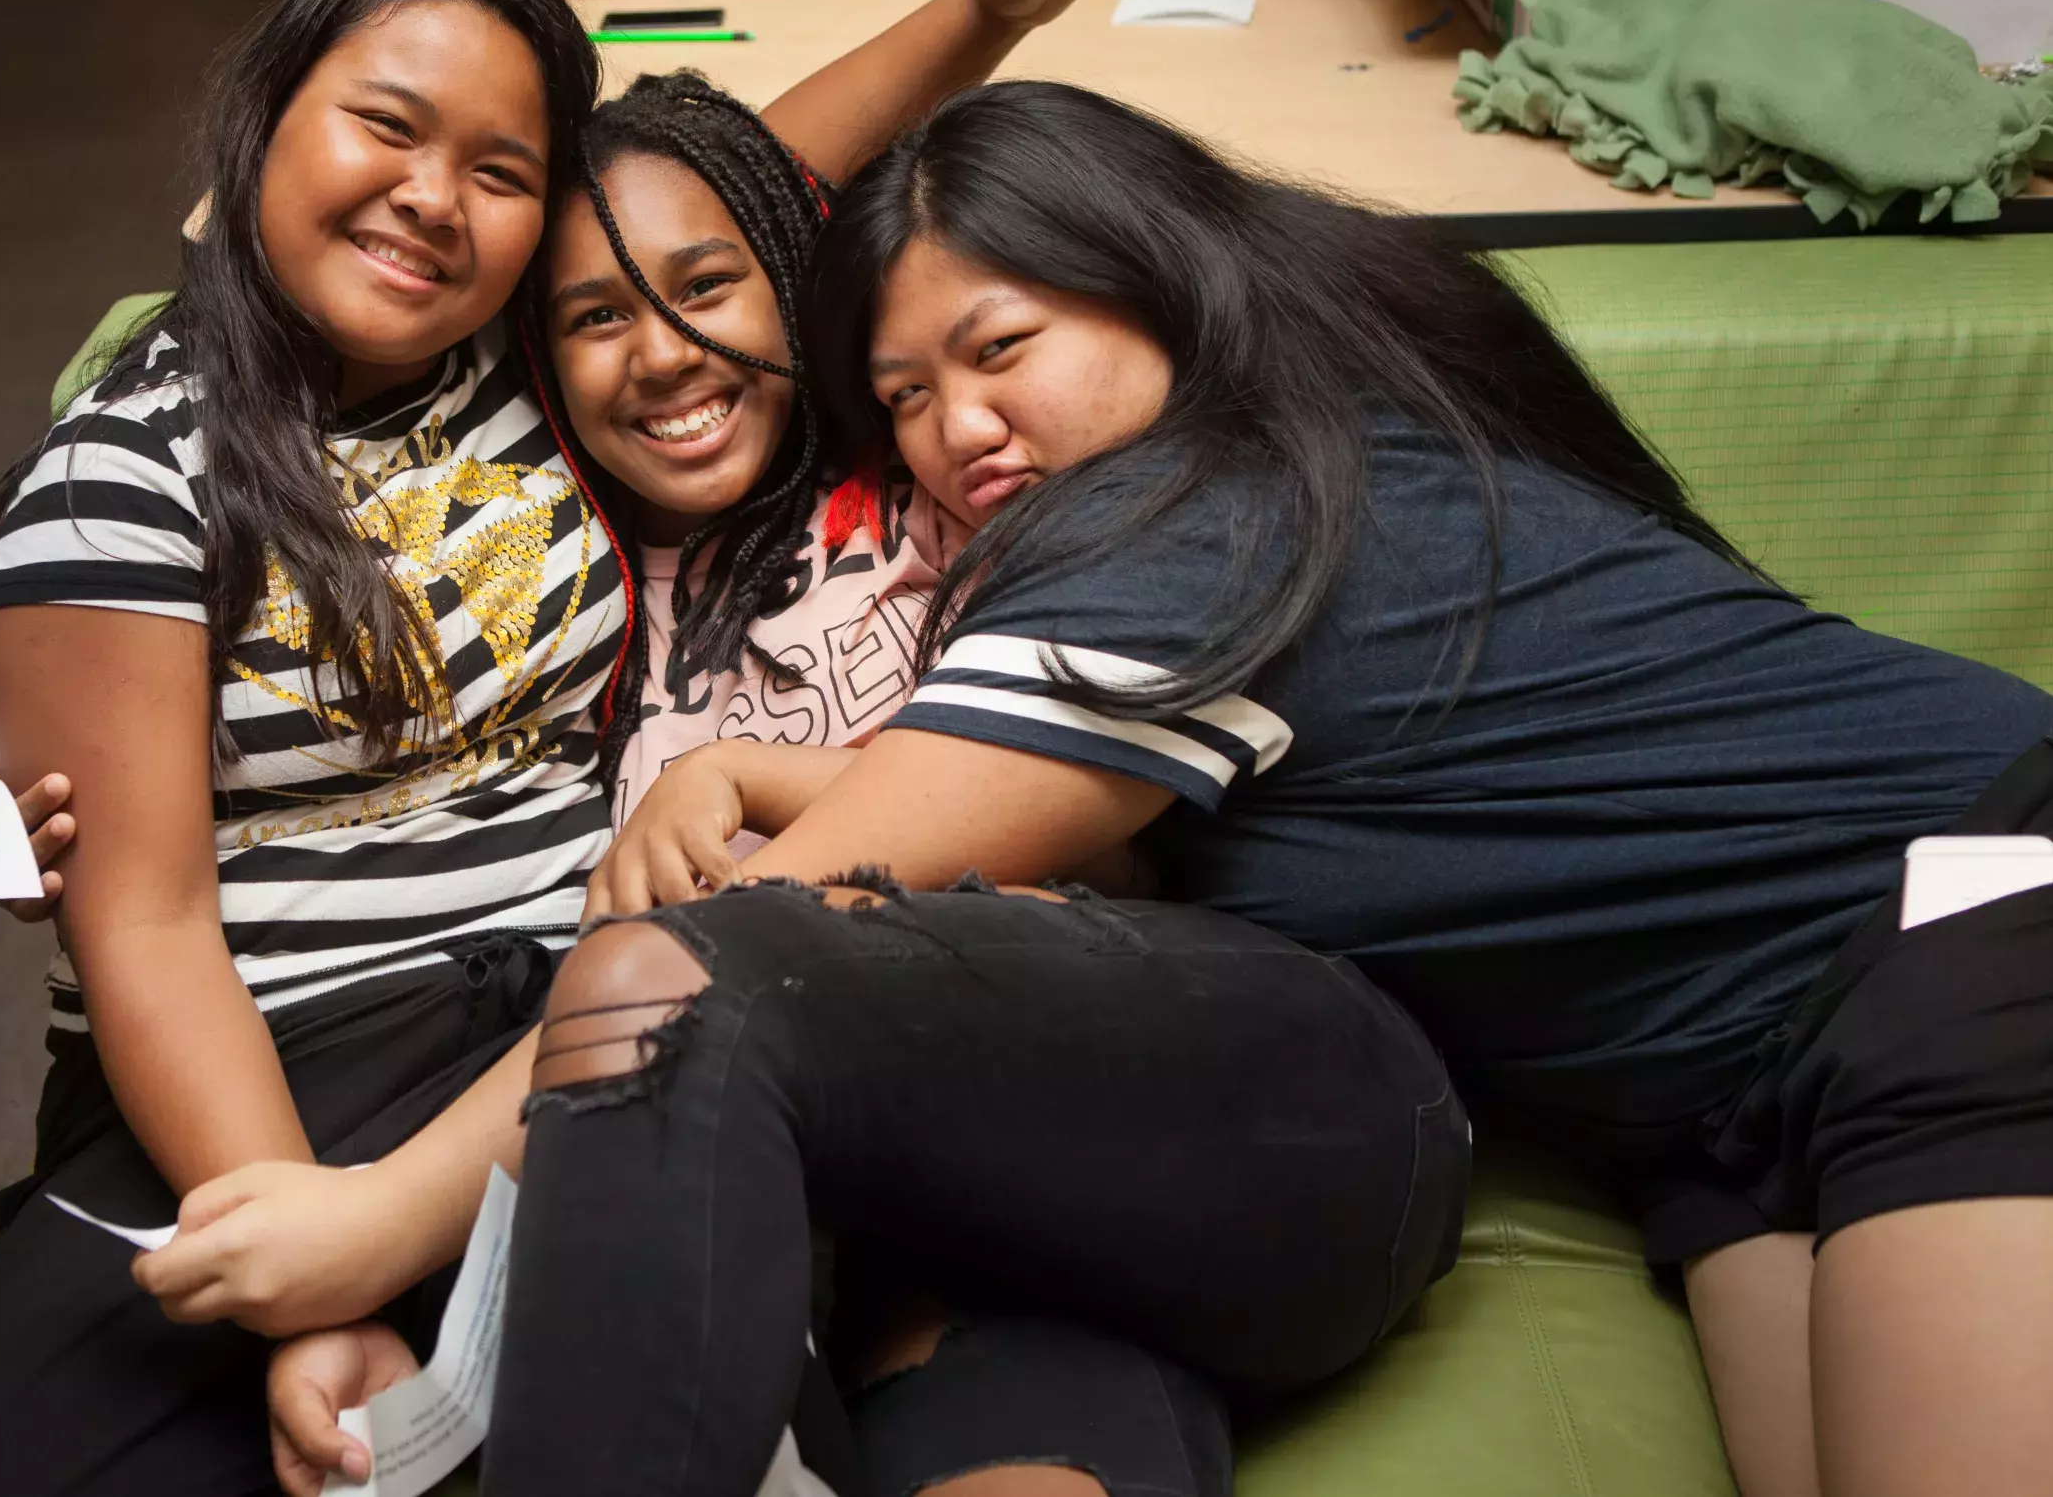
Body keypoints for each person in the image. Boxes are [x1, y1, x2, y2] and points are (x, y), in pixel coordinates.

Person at [0, 0, 1168, 1497]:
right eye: (386, 126)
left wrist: (991, 8)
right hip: (269, 1065)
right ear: (264, 117)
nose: (435, 201)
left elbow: (736, 193)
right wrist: (318, 1266)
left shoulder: (519, 348)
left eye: (499, 171)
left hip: (581, 1032)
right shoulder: (122, 477)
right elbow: (143, 923)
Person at [616, 80, 2042, 1497]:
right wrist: (739, 760)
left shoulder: (1186, 528)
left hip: (1969, 918)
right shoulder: (1226, 528)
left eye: (1002, 348)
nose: (961, 427)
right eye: (907, 397)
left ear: (1156, 290)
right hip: (1728, 1105)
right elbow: (1014, 824)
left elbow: (726, 964)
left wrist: (392, 1224)